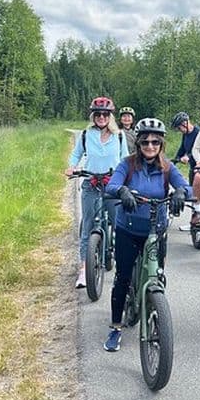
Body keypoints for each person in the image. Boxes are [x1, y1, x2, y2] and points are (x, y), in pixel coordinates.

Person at [103, 118, 192, 352]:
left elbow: (186, 186)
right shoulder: (128, 165)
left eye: (155, 142)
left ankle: (155, 311)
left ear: (161, 144)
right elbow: (111, 185)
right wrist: (122, 190)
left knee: (158, 275)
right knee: (122, 278)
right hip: (129, 229)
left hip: (156, 230)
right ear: (138, 144)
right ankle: (115, 327)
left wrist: (181, 192)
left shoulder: (167, 168)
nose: (150, 146)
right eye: (145, 142)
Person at [65, 97, 129, 289]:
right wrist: (72, 167)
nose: (102, 117)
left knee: (119, 224)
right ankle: (84, 269)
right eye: (98, 114)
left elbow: (125, 159)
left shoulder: (119, 136)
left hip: (112, 185)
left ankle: (122, 263)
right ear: (93, 116)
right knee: (88, 226)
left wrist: (127, 177)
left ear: (110, 117)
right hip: (91, 183)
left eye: (105, 114)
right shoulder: (87, 135)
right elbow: (76, 154)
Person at [170, 111, 200, 180]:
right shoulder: (185, 134)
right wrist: (174, 161)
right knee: (191, 185)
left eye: (179, 128)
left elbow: (199, 150)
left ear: (185, 123)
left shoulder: (198, 133)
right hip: (193, 166)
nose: (179, 130)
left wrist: (188, 157)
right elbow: (182, 148)